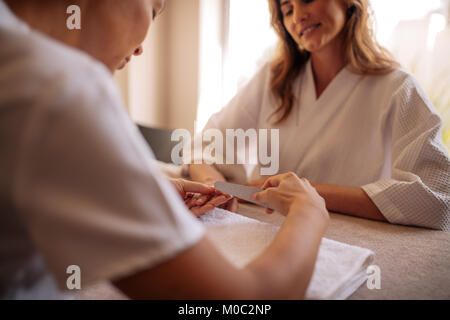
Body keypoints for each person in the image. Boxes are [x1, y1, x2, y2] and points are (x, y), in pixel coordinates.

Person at [0, 0, 329, 300]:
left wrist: (131, 193)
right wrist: (310, 213)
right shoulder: (58, 90)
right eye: (154, 9)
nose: (142, 47)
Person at [189, 0, 450, 231]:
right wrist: (216, 188)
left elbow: (436, 197)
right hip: (259, 233)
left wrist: (305, 193)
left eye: (306, 0)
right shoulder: (273, 80)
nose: (297, 16)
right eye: (287, 9)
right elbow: (206, 145)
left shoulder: (398, 88)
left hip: (347, 241)